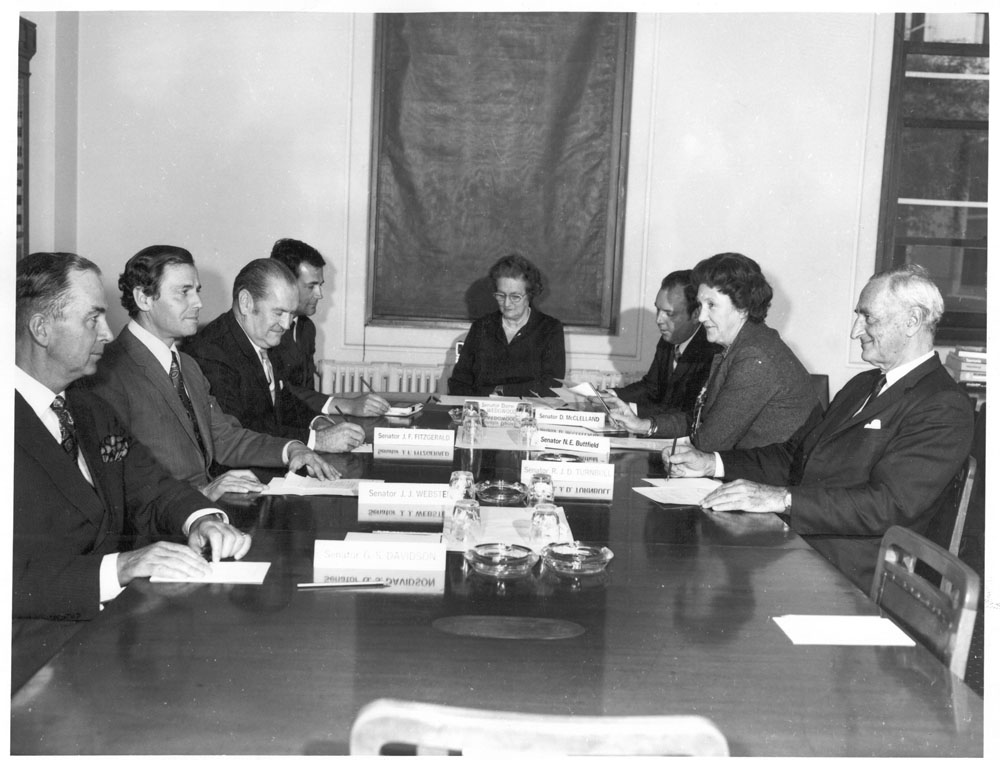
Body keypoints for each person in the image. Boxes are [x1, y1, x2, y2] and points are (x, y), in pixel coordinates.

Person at [14, 252, 250, 685]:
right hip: (31, 655)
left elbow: (150, 484)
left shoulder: (85, 405)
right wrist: (118, 568)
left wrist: (202, 519)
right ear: (41, 329)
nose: (107, 332)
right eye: (93, 319)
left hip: (106, 632)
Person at [666, 264, 974, 592]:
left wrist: (783, 499)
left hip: (851, 575)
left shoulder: (943, 405)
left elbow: (888, 506)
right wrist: (713, 462)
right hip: (803, 546)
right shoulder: (862, 385)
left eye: (869, 318)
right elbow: (797, 457)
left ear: (912, 321)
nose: (856, 331)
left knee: (702, 576)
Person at [86, 245, 340, 501]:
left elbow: (224, 437)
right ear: (143, 298)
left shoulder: (187, 365)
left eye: (196, 291)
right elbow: (116, 480)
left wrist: (291, 448)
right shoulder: (109, 372)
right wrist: (201, 493)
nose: (198, 303)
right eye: (184, 292)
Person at [184, 259, 367, 451]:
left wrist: (318, 422)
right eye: (278, 312)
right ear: (246, 303)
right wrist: (316, 440)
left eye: (290, 313)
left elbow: (284, 401)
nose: (287, 324)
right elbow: (239, 435)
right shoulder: (212, 353)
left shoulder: (261, 336)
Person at [683, 252, 819, 451]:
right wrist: (645, 424)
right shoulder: (747, 344)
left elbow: (710, 442)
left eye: (711, 305)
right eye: (700, 305)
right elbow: (704, 420)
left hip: (770, 478)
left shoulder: (755, 355)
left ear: (742, 307)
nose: (701, 316)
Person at [269, 238, 389, 416]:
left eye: (320, 285)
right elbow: (282, 393)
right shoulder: (268, 331)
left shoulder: (306, 328)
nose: (320, 295)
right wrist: (347, 405)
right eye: (311, 286)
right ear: (285, 284)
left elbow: (306, 393)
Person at [600, 270, 719, 437]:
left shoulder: (712, 352)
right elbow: (650, 388)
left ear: (695, 315)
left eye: (669, 313)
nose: (658, 319)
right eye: (658, 310)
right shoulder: (668, 340)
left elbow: (685, 411)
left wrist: (630, 410)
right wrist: (609, 396)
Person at [448, 253, 565, 396]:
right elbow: (459, 381)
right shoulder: (481, 327)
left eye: (515, 296)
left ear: (530, 294)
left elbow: (552, 384)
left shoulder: (550, 328)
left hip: (529, 412)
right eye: (501, 295)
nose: (507, 303)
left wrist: (501, 391)